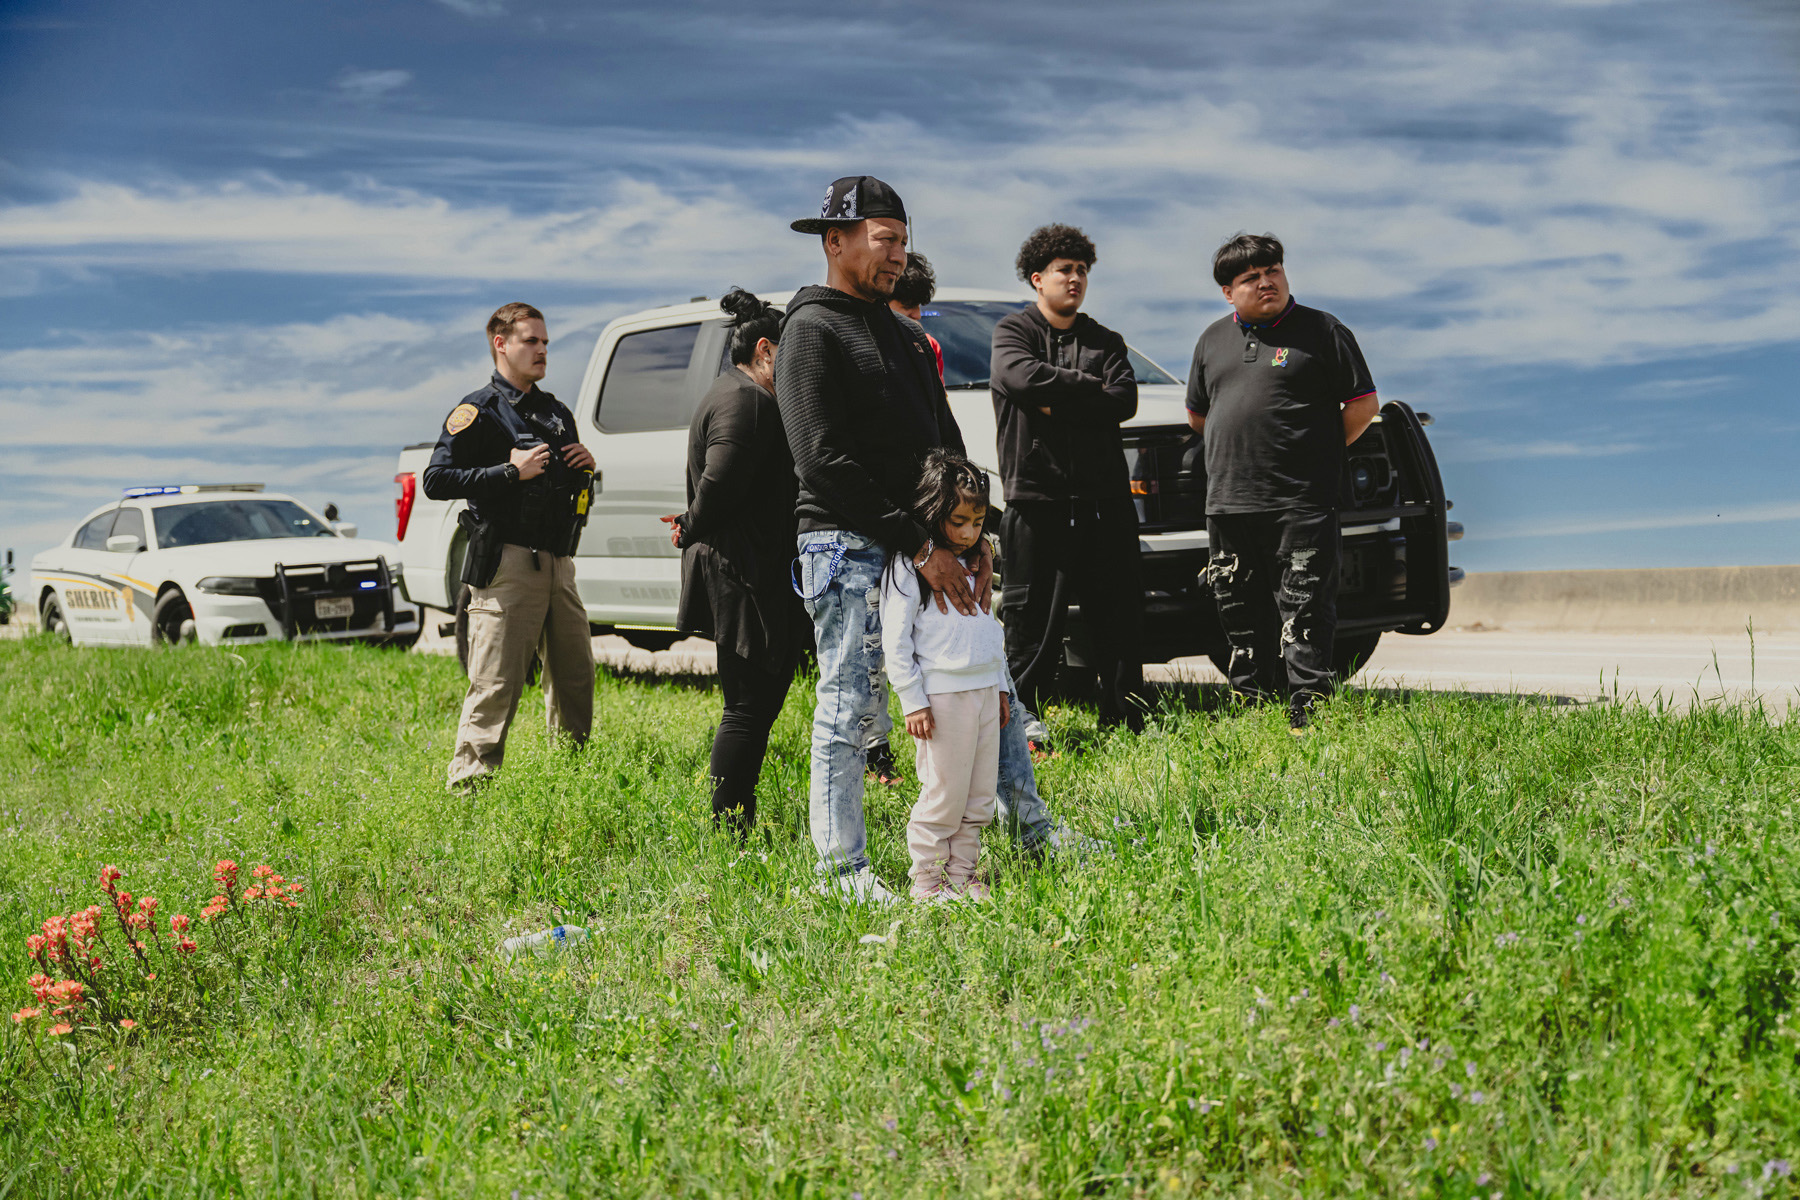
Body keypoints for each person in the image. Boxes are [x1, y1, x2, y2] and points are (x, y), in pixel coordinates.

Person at [779, 175, 1091, 905]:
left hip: (928, 547)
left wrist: (970, 536)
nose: (896, 254)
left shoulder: (908, 338)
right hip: (847, 544)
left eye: (902, 239)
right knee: (850, 704)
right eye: (883, 239)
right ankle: (841, 873)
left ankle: (1035, 832)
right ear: (836, 241)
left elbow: (948, 448)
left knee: (994, 686)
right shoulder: (810, 329)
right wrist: (918, 545)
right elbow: (821, 458)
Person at [1184, 233, 1379, 732]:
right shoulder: (1210, 341)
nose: (1266, 282)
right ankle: (1252, 703)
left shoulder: (1323, 330)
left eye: (1273, 271)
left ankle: (1307, 708)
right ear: (1229, 292)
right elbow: (1198, 415)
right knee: (1237, 605)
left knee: (1305, 602)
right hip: (1228, 500)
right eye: (1251, 278)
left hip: (1302, 499)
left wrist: (1318, 453)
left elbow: (1362, 406)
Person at [423, 303, 598, 788]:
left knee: (575, 680)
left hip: (559, 563)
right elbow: (435, 479)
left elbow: (568, 487)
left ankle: (572, 781)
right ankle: (470, 789)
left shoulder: (556, 412)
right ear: (501, 344)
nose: (542, 351)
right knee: (496, 684)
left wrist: (584, 465)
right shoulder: (477, 411)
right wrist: (508, 471)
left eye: (545, 343)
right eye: (531, 342)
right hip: (508, 564)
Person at [990, 223, 1147, 737]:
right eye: (1064, 270)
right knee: (1030, 621)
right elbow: (1021, 377)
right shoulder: (1014, 332)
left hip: (1105, 502)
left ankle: (1123, 718)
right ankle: (1021, 722)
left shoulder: (1106, 340)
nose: (1075, 278)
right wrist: (1088, 390)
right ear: (1038, 278)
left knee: (1118, 616)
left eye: (1082, 270)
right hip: (1038, 501)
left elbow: (1124, 400)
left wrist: (1059, 400)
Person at [662, 290, 804, 839]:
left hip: (748, 565)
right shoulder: (746, 400)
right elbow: (720, 481)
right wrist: (690, 525)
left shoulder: (737, 393)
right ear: (765, 350)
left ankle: (735, 823)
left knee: (753, 706)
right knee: (747, 708)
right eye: (791, 355)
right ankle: (729, 831)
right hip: (741, 572)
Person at [881, 451, 1010, 902]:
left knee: (978, 797)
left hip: (983, 694)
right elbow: (895, 641)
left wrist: (1001, 687)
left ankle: (962, 874)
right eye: (958, 521)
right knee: (944, 794)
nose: (968, 533)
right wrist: (912, 699)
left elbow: (989, 632)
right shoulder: (909, 569)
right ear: (934, 514)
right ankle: (928, 881)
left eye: (977, 523)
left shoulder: (978, 563)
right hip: (942, 701)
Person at [862, 249, 944, 789]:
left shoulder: (922, 346)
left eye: (919, 308)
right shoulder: (866, 341)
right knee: (875, 640)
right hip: (876, 516)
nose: (912, 317)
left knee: (920, 634)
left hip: (921, 515)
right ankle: (874, 749)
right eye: (902, 305)